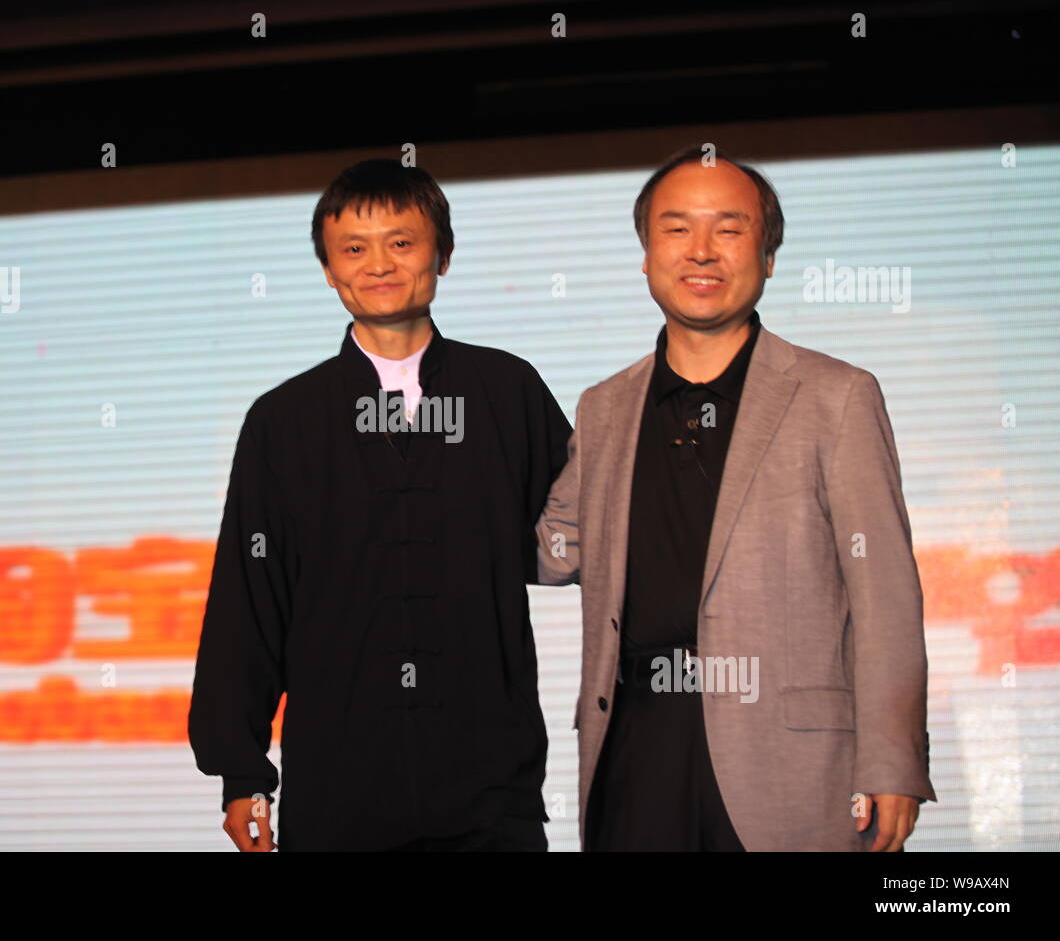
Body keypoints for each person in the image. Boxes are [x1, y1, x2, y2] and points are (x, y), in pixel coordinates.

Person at [536, 147, 936, 851]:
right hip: (635, 743)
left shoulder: (837, 396)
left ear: (768, 255)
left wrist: (894, 757)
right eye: (676, 228)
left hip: (790, 758)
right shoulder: (605, 407)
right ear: (645, 253)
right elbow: (552, 551)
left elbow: (885, 597)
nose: (701, 251)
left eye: (728, 228)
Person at [188, 158, 572, 851]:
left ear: (442, 254)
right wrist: (241, 772)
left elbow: (585, 539)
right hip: (338, 792)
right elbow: (249, 602)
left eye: (402, 243)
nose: (379, 265)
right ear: (330, 271)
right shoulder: (284, 420)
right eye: (353, 250)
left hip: (492, 787)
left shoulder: (506, 391)